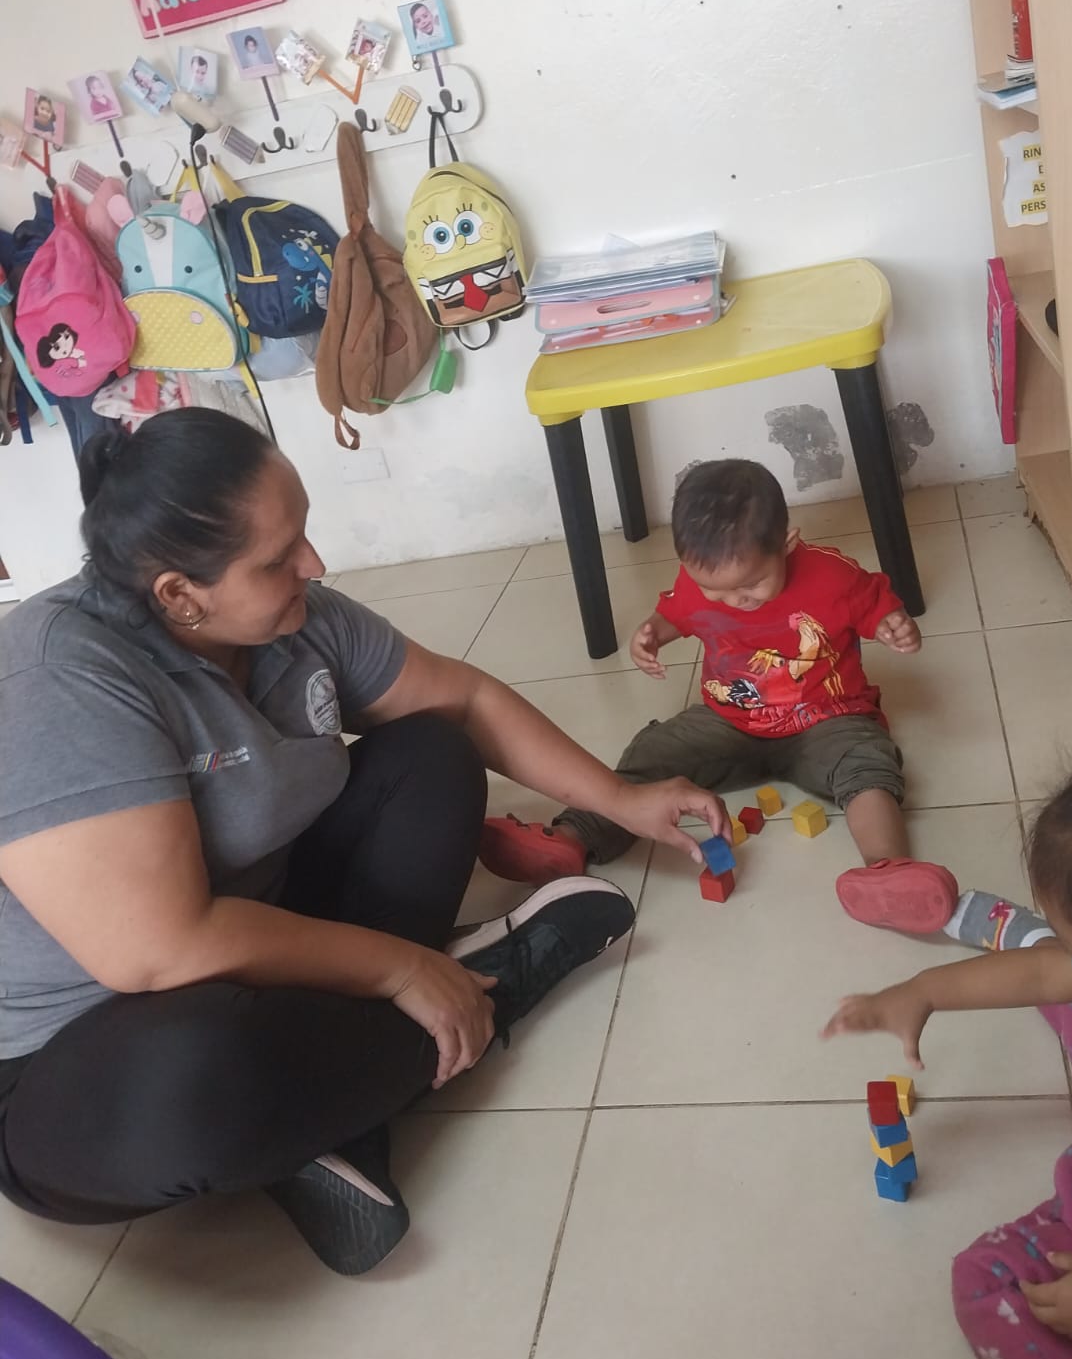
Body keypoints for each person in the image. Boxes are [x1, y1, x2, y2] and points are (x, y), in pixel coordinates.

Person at [0, 409, 727, 1276]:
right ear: (180, 595)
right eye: (278, 558)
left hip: (258, 941)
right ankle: (490, 985)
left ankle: (336, 1107)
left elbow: (464, 701)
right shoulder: (59, 676)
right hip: (77, 1054)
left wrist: (623, 800)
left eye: (303, 534)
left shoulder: (295, 621)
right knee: (197, 1080)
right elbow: (159, 950)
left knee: (432, 753)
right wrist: (401, 969)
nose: (313, 564)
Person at [822, 729, 1072, 1359]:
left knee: (985, 1283)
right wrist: (922, 992)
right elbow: (1044, 974)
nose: (1068, 960)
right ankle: (1030, 934)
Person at [479, 458, 958, 934]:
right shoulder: (697, 583)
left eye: (752, 585)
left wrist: (893, 624)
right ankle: (571, 837)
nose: (735, 601)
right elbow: (677, 614)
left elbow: (876, 604)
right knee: (653, 752)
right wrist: (652, 634)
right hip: (729, 719)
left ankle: (888, 871)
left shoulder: (832, 576)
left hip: (827, 718)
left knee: (866, 763)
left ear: (787, 543)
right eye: (716, 591)